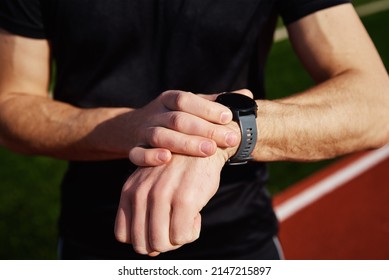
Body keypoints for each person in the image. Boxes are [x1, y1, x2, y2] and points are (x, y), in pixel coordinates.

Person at [0, 0, 388, 259]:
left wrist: (225, 134)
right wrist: (137, 128)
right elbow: (10, 103)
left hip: (239, 236)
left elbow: (376, 104)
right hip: (97, 236)